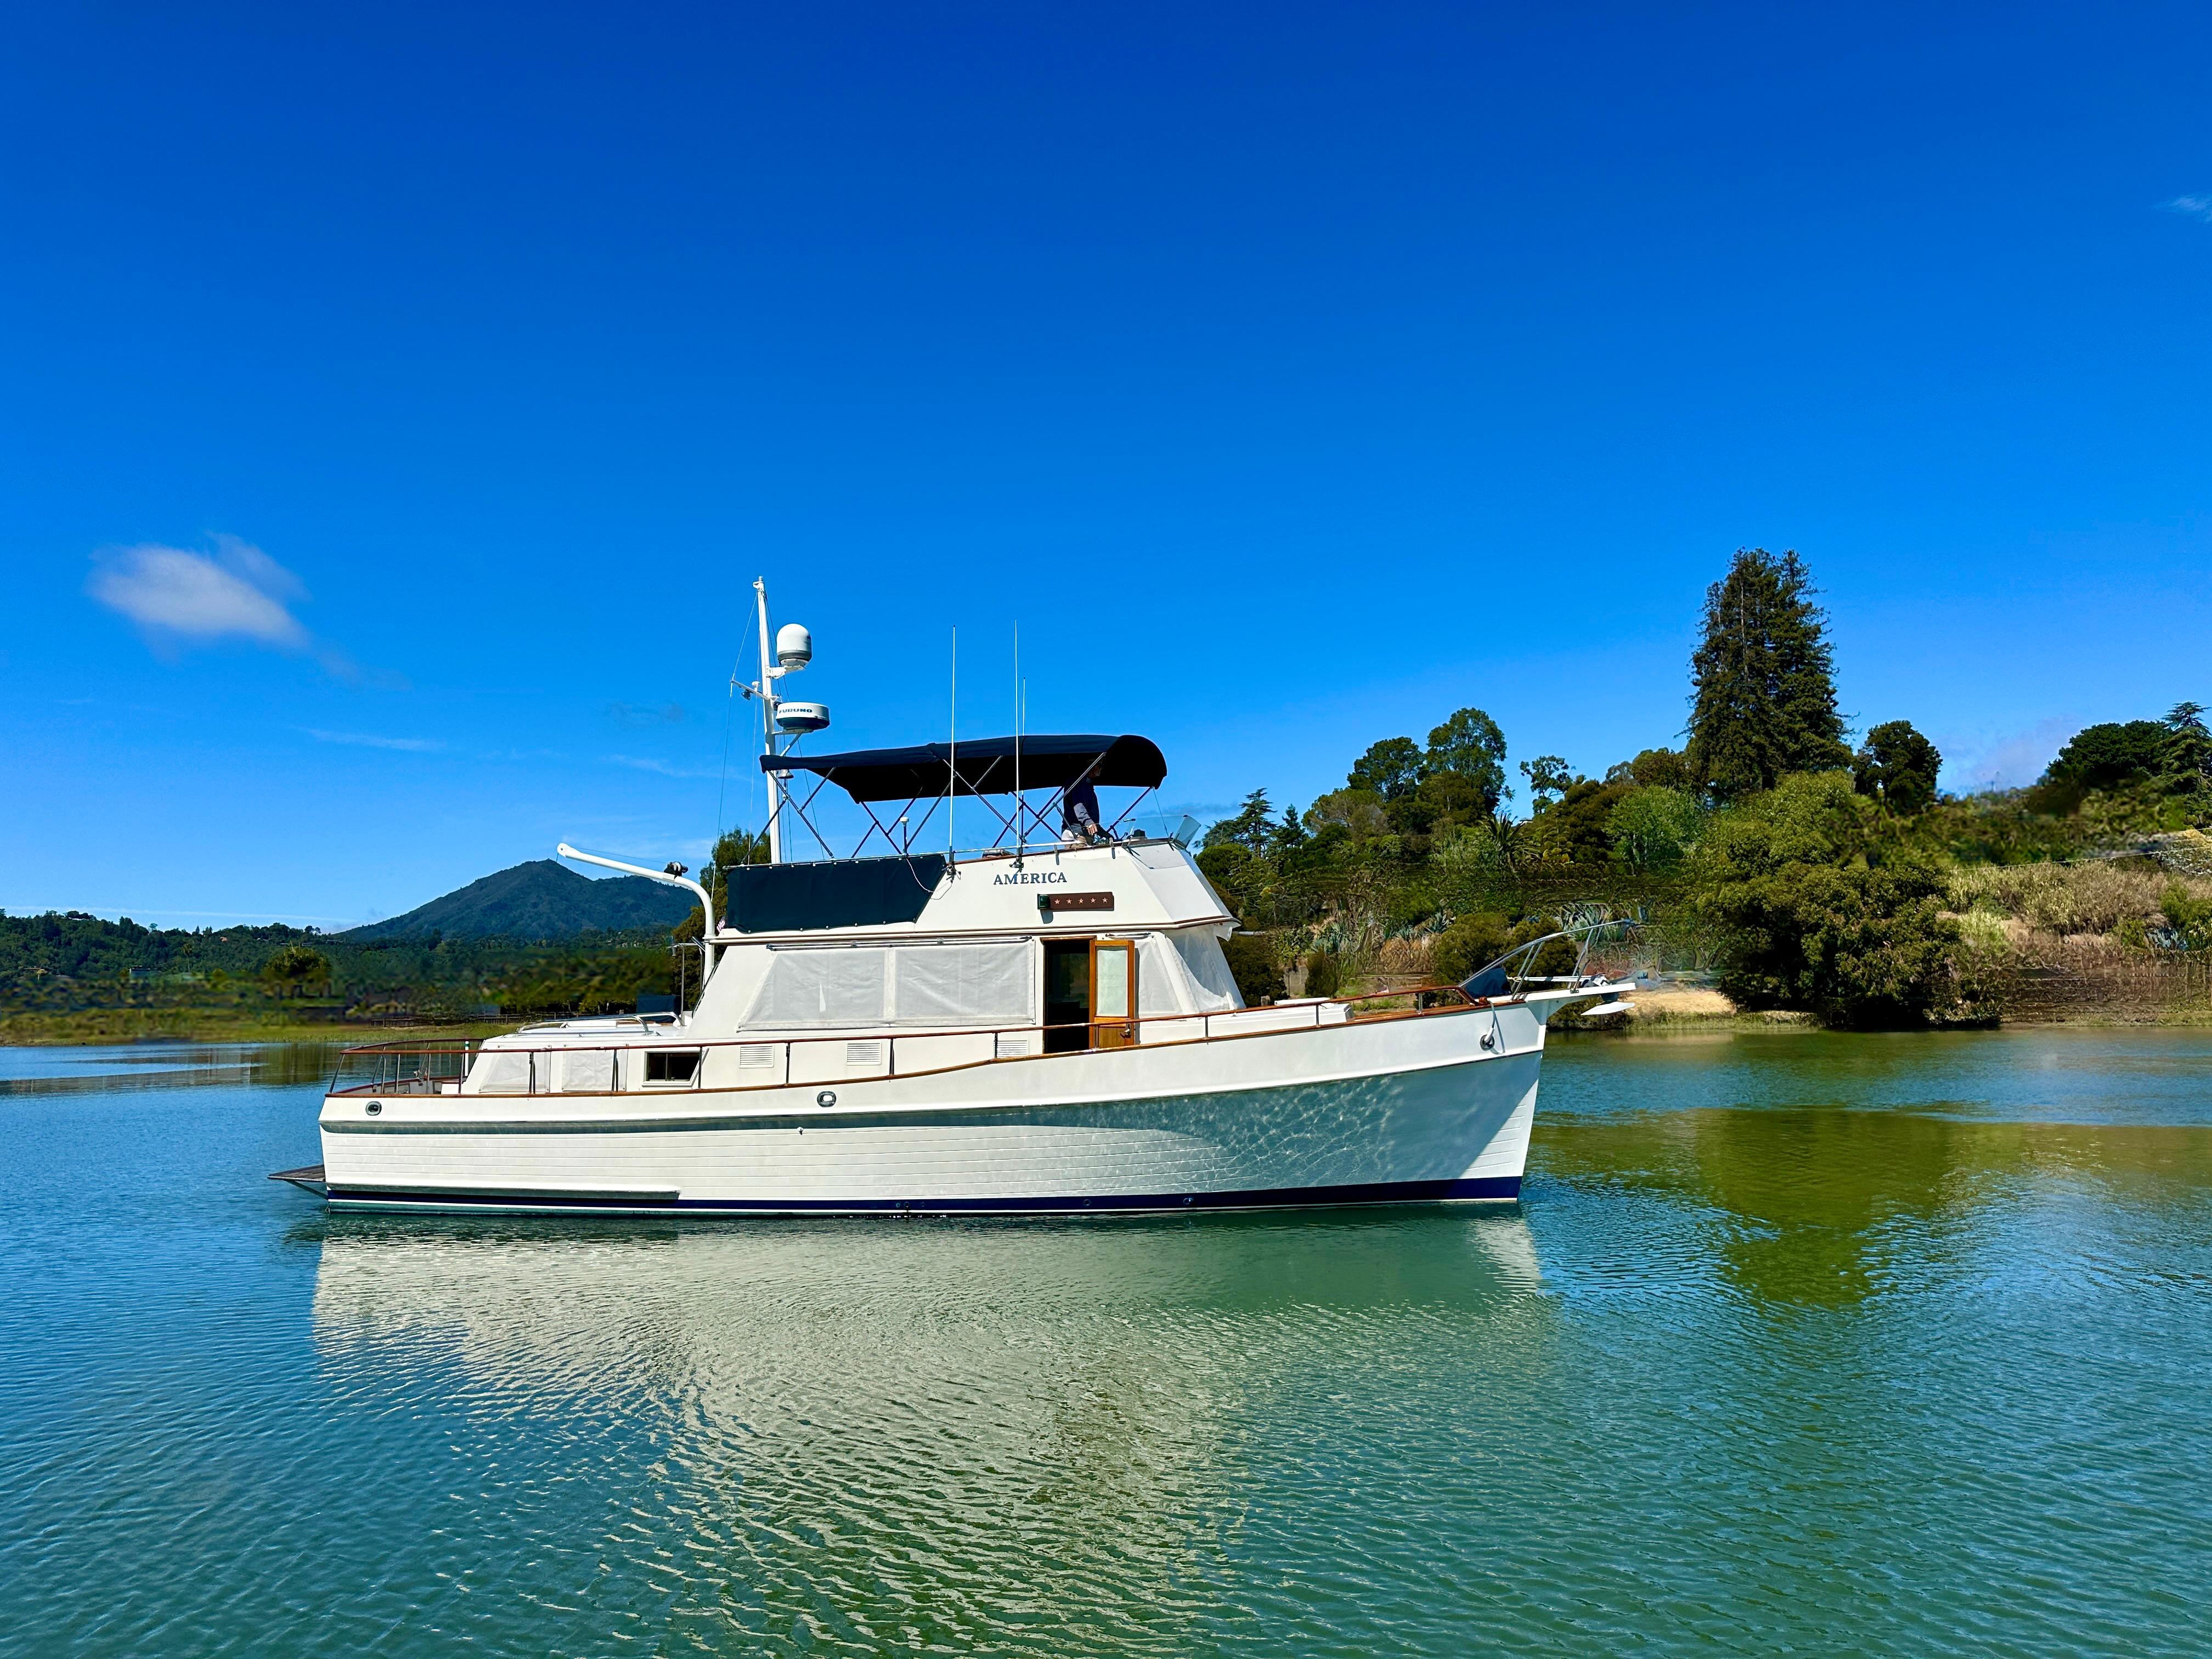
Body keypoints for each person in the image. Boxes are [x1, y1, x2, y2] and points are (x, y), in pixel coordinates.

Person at [1061, 777, 1104, 844]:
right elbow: (1078, 806)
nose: (1100, 769)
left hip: (1085, 834)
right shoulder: (1077, 782)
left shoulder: (1088, 786)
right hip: (1076, 835)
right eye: (1099, 766)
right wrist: (1089, 823)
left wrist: (1103, 833)